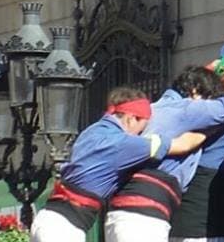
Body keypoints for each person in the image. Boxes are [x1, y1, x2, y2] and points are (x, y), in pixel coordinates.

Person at [105, 55, 224, 242]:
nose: (209, 108)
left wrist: (206, 73)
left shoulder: (159, 106)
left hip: (120, 211)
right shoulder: (187, 109)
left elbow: (186, 142)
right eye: (209, 100)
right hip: (145, 214)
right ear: (195, 92)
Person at [29, 89, 202, 242]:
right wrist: (208, 127)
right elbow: (183, 145)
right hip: (64, 228)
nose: (141, 133)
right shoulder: (124, 144)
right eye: (142, 128)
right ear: (131, 118)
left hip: (46, 219)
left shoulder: (91, 131)